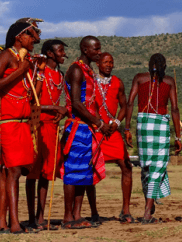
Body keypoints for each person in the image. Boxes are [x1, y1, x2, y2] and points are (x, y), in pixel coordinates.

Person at [0, 18, 44, 234]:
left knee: (8, 171)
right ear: (19, 37)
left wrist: (35, 72)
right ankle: (15, 224)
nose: (35, 40)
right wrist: (21, 71)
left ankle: (1, 222)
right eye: (31, 35)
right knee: (13, 171)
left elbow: (33, 96)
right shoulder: (6, 56)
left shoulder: (26, 59)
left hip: (22, 122)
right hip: (8, 120)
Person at [61, 36, 112, 229]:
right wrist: (98, 123)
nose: (99, 52)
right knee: (72, 172)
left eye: (99, 49)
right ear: (85, 49)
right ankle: (67, 217)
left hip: (87, 128)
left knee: (83, 172)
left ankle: (77, 215)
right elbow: (76, 103)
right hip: (76, 127)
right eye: (96, 49)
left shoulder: (87, 70)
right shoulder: (76, 70)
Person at [125, 53, 182, 224]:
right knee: (157, 168)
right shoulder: (170, 81)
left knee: (147, 167)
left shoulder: (139, 78)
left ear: (149, 65)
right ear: (164, 66)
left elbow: (129, 103)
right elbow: (175, 110)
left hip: (143, 124)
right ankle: (147, 212)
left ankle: (148, 205)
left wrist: (127, 129)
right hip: (161, 124)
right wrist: (178, 136)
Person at [25, 39, 68, 231]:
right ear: (50, 54)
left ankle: (40, 216)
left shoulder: (61, 74)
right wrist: (54, 107)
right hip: (37, 125)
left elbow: (64, 100)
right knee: (33, 173)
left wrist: (63, 110)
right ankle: (31, 217)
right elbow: (31, 101)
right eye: (60, 51)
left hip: (52, 127)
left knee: (46, 174)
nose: (63, 54)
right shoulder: (39, 72)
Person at [86, 52, 133, 224]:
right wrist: (98, 123)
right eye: (105, 62)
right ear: (98, 63)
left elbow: (125, 106)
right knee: (90, 170)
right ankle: (94, 212)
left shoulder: (118, 82)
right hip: (96, 130)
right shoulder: (90, 81)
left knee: (126, 166)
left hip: (112, 131)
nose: (109, 65)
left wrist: (117, 122)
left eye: (111, 62)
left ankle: (126, 211)